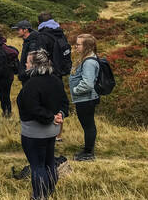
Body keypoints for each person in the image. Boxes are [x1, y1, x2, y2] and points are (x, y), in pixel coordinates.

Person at [17, 49, 68, 200]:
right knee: (49, 163)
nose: (25, 63)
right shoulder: (56, 80)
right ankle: (48, 192)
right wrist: (60, 114)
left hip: (33, 132)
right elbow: (64, 103)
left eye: (27, 61)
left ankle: (39, 199)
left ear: (34, 64)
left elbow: (32, 107)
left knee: (37, 166)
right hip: (51, 131)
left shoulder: (31, 84)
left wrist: (50, 117)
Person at [37, 12, 70, 141]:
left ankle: (47, 132)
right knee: (59, 103)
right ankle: (58, 134)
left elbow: (40, 57)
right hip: (59, 73)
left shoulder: (42, 36)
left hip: (48, 73)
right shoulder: (60, 33)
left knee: (46, 103)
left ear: (39, 23)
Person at [69, 34, 100, 161]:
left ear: (86, 46)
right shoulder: (87, 58)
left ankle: (88, 154)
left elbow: (87, 83)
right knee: (88, 125)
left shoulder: (89, 62)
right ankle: (87, 150)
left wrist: (76, 90)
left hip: (86, 99)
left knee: (88, 126)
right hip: (85, 98)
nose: (76, 46)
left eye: (78, 44)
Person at [13, 20, 43, 84]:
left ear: (25, 30)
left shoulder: (33, 42)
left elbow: (32, 62)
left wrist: (23, 74)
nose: (17, 32)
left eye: (18, 29)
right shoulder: (28, 41)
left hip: (29, 78)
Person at [0, 27, 15, 118]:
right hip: (9, 74)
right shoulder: (4, 44)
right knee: (6, 94)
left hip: (2, 75)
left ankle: (5, 112)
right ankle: (8, 111)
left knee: (2, 95)